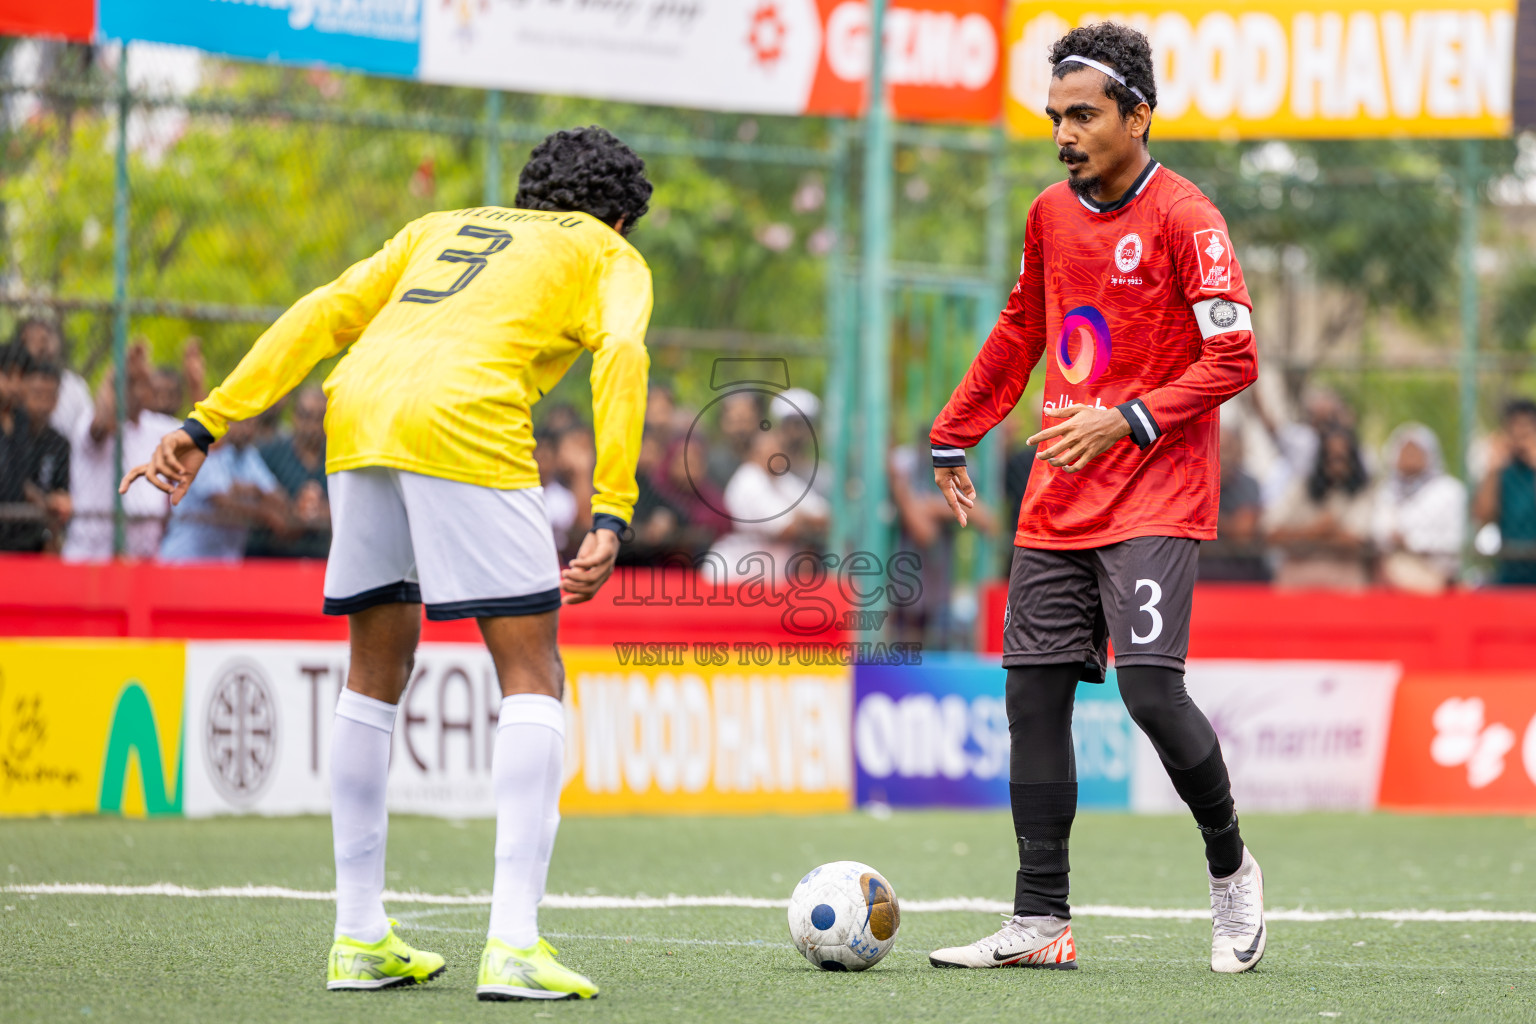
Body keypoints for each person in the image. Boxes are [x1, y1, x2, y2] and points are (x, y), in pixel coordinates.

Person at [122, 126, 653, 1001]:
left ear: (529, 194)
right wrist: (613, 507)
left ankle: (358, 936)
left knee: (374, 669)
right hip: (468, 418)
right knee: (531, 669)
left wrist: (204, 423)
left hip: (359, 415)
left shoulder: (440, 224)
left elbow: (323, 309)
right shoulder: (607, 252)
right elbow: (622, 355)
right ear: (623, 217)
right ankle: (514, 945)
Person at [926, 24, 1264, 974]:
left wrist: (1128, 420)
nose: (1064, 133)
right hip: (1059, 496)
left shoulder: (1188, 218)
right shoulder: (1048, 214)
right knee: (1031, 698)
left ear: (1137, 117)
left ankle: (1232, 871)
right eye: (1055, 117)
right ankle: (1041, 924)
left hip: (1157, 487)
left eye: (1083, 115)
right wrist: (956, 429)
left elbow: (1234, 356)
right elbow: (1019, 329)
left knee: (1151, 691)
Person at [62, 341, 180, 560]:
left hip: (141, 561)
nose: (135, 390)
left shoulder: (158, 427)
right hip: (92, 559)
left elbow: (209, 441)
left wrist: (195, 380)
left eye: (142, 383)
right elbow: (104, 420)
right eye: (128, 383)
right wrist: (117, 369)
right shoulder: (89, 420)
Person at [158, 416, 287, 563]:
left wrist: (256, 490)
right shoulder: (204, 451)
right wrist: (264, 514)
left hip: (225, 561)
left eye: (253, 425)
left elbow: (275, 494)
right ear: (226, 422)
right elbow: (222, 503)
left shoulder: (247, 454)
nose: (248, 431)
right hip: (186, 558)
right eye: (242, 423)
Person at [709, 425, 828, 577]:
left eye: (779, 448)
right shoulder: (749, 479)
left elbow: (824, 514)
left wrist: (800, 519)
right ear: (755, 453)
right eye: (771, 449)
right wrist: (804, 519)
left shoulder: (782, 478)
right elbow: (786, 529)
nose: (778, 453)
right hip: (732, 574)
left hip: (767, 576)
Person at [1264, 426, 1374, 590]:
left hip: (1344, 578)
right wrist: (1315, 531)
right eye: (1330, 457)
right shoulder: (1301, 488)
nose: (1336, 463)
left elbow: (1356, 541)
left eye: (1341, 457)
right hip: (1298, 576)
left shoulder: (1363, 492)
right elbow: (1271, 534)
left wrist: (1302, 538)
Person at [1372, 423, 1464, 593]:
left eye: (1415, 450)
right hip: (1390, 567)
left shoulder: (1450, 491)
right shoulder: (1385, 491)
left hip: (1436, 569)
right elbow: (1378, 530)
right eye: (1404, 450)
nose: (1409, 456)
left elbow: (1455, 538)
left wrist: (1412, 542)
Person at [249, 386, 331, 558]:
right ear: (294, 416)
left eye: (319, 418)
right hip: (272, 557)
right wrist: (290, 512)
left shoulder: (336, 459)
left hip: (322, 559)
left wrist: (325, 511)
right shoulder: (270, 454)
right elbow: (252, 497)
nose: (311, 426)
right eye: (306, 416)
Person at [3, 360, 72, 551]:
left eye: (48, 395)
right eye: (36, 393)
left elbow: (61, 491)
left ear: (56, 400)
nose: (41, 402)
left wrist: (57, 501)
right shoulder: (9, 432)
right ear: (24, 391)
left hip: (37, 537)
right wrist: (42, 500)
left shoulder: (59, 442)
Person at [1474, 398, 1536, 585]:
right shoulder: (1503, 473)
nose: (1520, 434)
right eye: (1514, 428)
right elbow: (1483, 516)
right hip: (1509, 568)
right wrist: (1493, 468)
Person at [1198, 424, 1269, 582]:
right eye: (1216, 449)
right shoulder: (1196, 482)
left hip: (1239, 569)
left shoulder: (1247, 483)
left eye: (1226, 450)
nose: (1222, 457)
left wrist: (1201, 512)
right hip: (1201, 567)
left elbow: (1242, 534)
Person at [12, 317, 91, 436]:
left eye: (46, 338)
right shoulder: (13, 382)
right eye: (36, 339)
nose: (43, 346)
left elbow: (86, 426)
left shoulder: (74, 384)